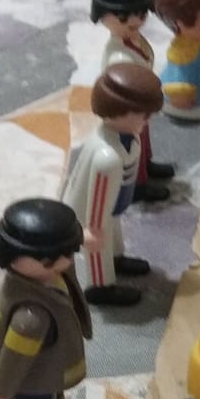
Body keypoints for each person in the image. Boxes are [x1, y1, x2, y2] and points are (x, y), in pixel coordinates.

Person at [0, 198, 99, 399]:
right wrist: (0, 397)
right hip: (29, 380)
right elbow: (13, 360)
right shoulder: (31, 317)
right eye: (55, 256)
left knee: (54, 395)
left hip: (49, 366)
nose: (66, 260)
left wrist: (81, 238)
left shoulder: (47, 276)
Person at [62, 62, 164, 306]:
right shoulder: (107, 157)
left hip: (113, 202)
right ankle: (100, 286)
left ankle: (116, 259)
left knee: (114, 233)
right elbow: (97, 203)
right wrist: (93, 231)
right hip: (91, 214)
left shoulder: (127, 137)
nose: (148, 119)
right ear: (120, 111)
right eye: (143, 113)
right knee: (100, 244)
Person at [91, 0, 175, 203]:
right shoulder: (118, 56)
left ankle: (146, 165)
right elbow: (121, 87)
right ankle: (137, 185)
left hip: (141, 104)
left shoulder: (134, 40)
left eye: (141, 14)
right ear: (103, 17)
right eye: (122, 17)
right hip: (128, 109)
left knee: (142, 141)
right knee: (130, 146)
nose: (135, 21)